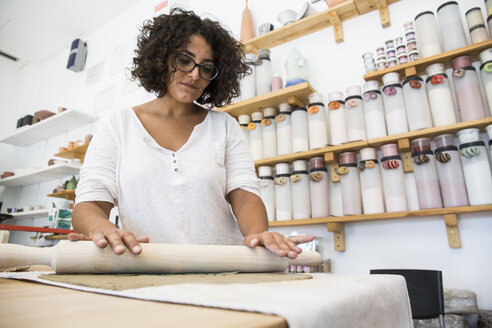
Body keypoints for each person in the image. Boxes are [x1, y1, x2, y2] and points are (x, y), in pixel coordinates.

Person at [69, 8, 314, 259]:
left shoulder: (224, 126)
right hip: (145, 266)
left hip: (221, 266)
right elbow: (90, 202)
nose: (195, 74)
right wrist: (102, 227)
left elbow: (244, 196)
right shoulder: (118, 124)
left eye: (207, 68)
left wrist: (259, 233)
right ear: (161, 58)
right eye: (184, 61)